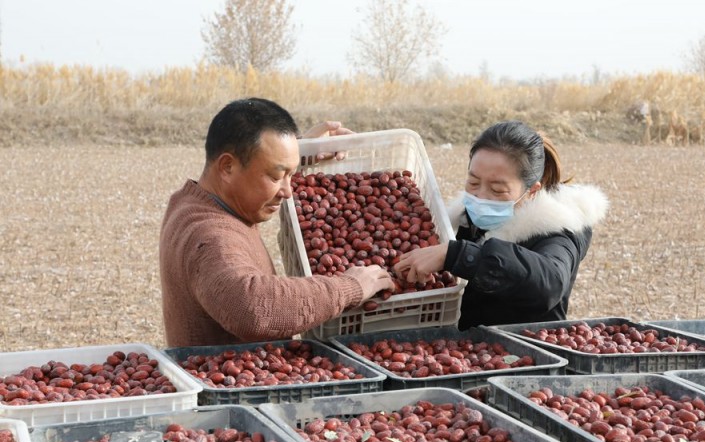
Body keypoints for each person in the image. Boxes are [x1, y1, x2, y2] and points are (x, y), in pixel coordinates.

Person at [159, 97, 394, 347]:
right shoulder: (208, 235)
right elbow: (252, 308)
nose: (288, 191)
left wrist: (295, 151)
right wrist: (350, 287)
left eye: (290, 175)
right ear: (227, 167)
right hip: (234, 383)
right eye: (275, 176)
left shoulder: (193, 202)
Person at [394, 120, 608, 329]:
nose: (480, 196)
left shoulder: (557, 232)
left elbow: (550, 283)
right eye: (473, 182)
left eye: (497, 190)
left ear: (531, 191)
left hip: (524, 355)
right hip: (467, 353)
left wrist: (460, 255)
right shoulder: (462, 221)